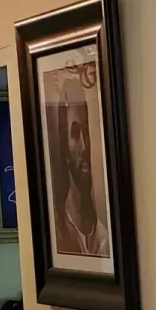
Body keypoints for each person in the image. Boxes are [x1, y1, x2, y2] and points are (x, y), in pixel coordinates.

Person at [47, 72, 108, 259]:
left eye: (86, 132)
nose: (84, 146)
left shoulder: (104, 235)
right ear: (64, 146)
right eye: (75, 134)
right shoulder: (56, 230)